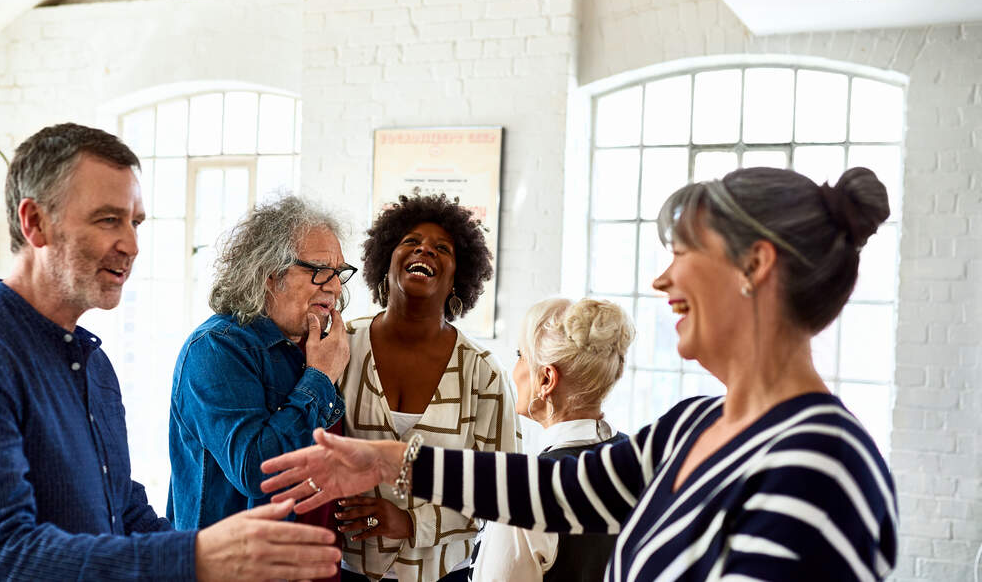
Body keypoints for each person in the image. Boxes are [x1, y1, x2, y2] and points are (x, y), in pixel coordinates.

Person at [262, 167, 899, 581]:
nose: (662, 279)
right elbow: (557, 490)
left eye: (684, 253)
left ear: (755, 266)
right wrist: (386, 460)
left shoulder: (820, 466)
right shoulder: (694, 425)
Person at [0, 123, 340, 581]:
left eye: (135, 222)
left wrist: (217, 557)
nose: (131, 245)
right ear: (35, 223)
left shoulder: (92, 362)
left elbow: (121, 511)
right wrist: (193, 557)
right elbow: (1, 558)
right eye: (108, 219)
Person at [334, 193, 518, 582]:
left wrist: (410, 522)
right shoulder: (340, 347)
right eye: (411, 241)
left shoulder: (483, 373)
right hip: (347, 570)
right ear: (385, 262)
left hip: (443, 574)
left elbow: (501, 486)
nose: (425, 249)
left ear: (457, 279)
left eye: (443, 248)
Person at [167, 195, 352, 535]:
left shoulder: (319, 347)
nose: (336, 287)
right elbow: (258, 471)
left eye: (339, 273)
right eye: (319, 271)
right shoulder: (216, 348)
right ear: (269, 273)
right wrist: (320, 377)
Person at [473, 297, 631, 582]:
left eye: (520, 354)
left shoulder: (527, 493)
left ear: (546, 379)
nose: (514, 370)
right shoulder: (637, 458)